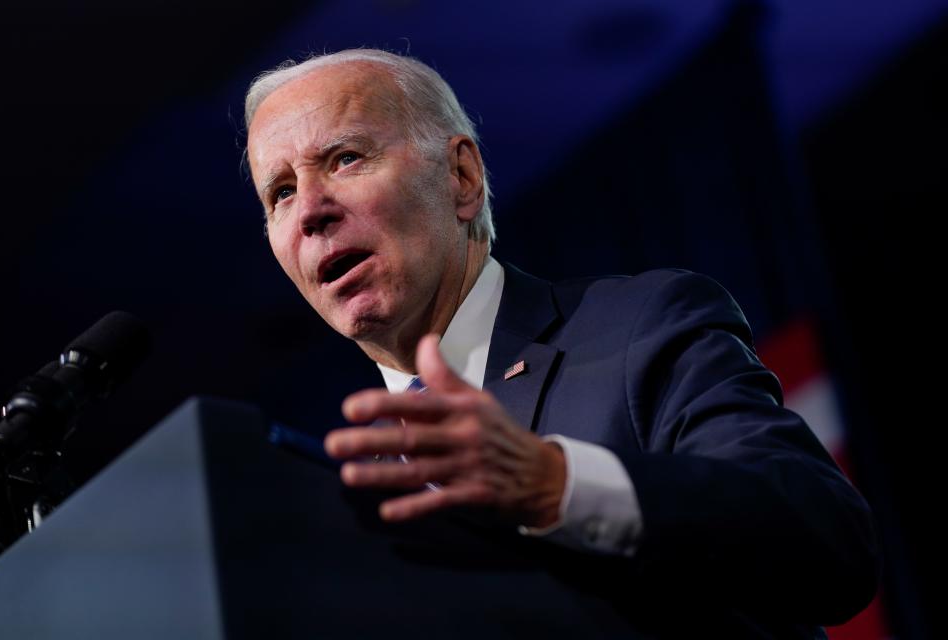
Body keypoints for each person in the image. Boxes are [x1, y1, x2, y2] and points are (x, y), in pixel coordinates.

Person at [244, 48, 879, 629]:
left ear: (461, 178)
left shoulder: (642, 327)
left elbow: (828, 543)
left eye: (345, 158)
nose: (309, 211)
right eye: (281, 193)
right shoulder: (348, 490)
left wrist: (557, 485)